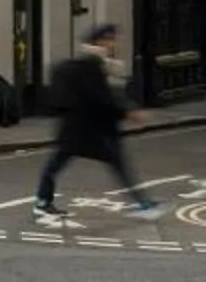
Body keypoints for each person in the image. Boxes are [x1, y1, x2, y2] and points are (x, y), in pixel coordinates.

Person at [36, 22, 159, 225]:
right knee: (57, 165)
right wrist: (128, 113)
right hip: (84, 130)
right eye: (111, 40)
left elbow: (108, 96)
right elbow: (102, 98)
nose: (115, 44)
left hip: (86, 130)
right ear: (100, 41)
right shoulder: (91, 65)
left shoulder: (103, 65)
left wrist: (124, 110)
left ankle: (143, 202)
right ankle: (42, 201)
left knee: (114, 163)